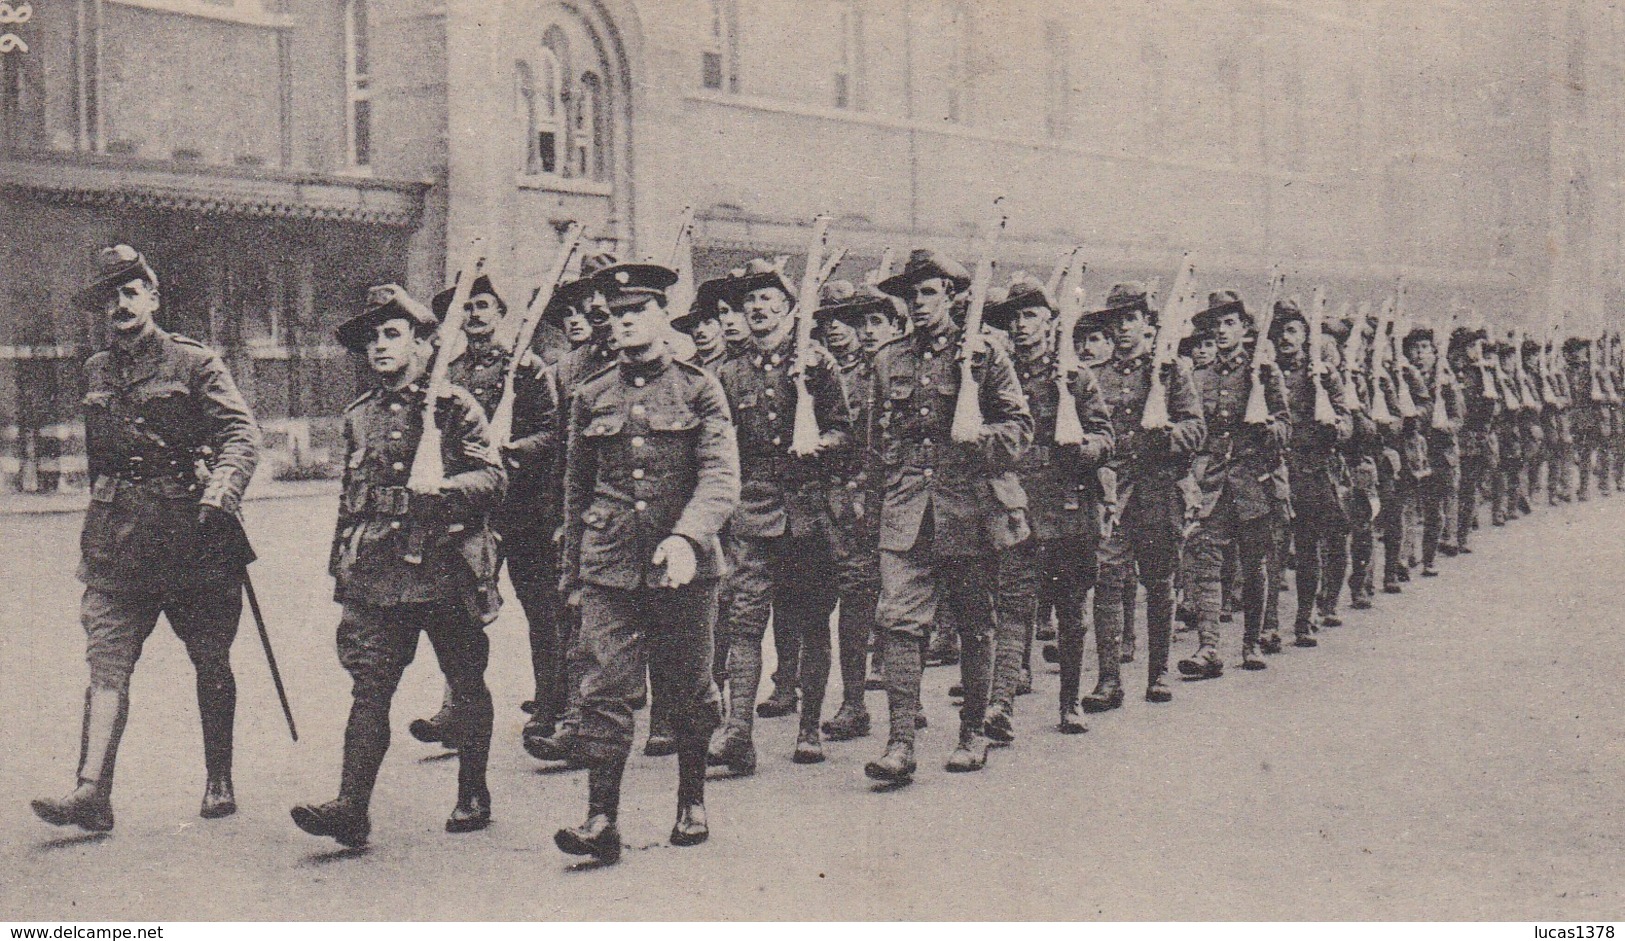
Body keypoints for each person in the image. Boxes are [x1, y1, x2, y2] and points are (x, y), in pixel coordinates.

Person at [32, 246, 261, 834]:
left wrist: (223, 489)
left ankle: (219, 778)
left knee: (210, 658)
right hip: (116, 542)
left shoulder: (195, 362)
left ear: (152, 297)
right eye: (108, 298)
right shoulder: (96, 371)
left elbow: (240, 433)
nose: (119, 305)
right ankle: (91, 792)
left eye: (130, 292)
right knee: (106, 664)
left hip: (194, 537)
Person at [291, 284, 505, 848]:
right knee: (370, 687)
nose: (380, 347)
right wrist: (342, 568)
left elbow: (492, 477)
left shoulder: (454, 407)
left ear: (420, 343)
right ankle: (351, 807)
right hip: (380, 573)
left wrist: (443, 488)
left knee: (465, 680)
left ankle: (474, 791)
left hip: (445, 566)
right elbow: (349, 498)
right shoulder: (359, 415)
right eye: (372, 339)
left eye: (392, 334)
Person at [554, 261, 739, 864]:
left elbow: (719, 476)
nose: (626, 322)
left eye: (639, 311)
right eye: (617, 313)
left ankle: (692, 799)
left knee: (688, 686)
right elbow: (576, 491)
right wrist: (572, 573)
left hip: (684, 565)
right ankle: (600, 817)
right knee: (603, 686)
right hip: (609, 563)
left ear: (663, 316)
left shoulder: (699, 388)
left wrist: (687, 538)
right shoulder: (591, 394)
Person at [863, 250, 1033, 781]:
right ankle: (900, 744)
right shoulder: (888, 359)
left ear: (953, 296)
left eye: (928, 293)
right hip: (907, 509)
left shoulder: (983, 356)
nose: (917, 304)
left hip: (968, 508)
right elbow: (876, 443)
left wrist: (979, 435)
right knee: (899, 624)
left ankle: (973, 732)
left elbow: (1020, 430)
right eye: (910, 295)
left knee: (975, 624)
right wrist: (877, 511)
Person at [709, 258, 851, 770]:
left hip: (809, 513)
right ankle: (737, 733)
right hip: (754, 511)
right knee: (745, 621)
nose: (757, 308)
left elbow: (845, 432)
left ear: (791, 310)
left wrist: (819, 442)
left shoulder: (815, 365)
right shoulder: (728, 372)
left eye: (768, 300)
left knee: (811, 621)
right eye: (750, 302)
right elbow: (720, 447)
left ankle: (809, 729)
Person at [982, 275, 1113, 739]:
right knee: (1013, 606)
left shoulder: (1075, 378)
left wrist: (1084, 448)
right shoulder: (998, 372)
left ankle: (1070, 701)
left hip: (1068, 506)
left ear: (1050, 321)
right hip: (1016, 504)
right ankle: (999, 706)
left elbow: (1105, 436)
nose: (1021, 326)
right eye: (1014, 318)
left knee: (1070, 609)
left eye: (1030, 316)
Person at [523, 252, 623, 764]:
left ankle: (675, 716)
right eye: (588, 307)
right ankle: (575, 721)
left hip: (653, 516)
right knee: (576, 614)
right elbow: (565, 455)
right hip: (592, 514)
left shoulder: (662, 358)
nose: (597, 317)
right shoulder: (569, 370)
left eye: (604, 306)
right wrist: (564, 519)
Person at [1180, 290, 1290, 677]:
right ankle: (1208, 647)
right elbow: (1196, 429)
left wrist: (1266, 428)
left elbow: (1284, 425)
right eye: (1216, 325)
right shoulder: (1199, 376)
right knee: (1206, 562)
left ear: (1245, 328)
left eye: (1230, 323)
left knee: (1253, 563)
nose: (1222, 331)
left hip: (1253, 483)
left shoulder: (1264, 373)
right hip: (1213, 483)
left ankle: (1252, 643)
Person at [811, 280, 895, 742]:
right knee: (832, 603)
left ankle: (870, 699)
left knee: (874, 599)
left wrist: (867, 490)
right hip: (822, 498)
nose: (838, 331)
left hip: (866, 497)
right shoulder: (815, 372)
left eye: (847, 321)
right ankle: (845, 699)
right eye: (828, 322)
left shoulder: (875, 372)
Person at [1269, 299, 1352, 646]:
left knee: (1308, 548)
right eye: (1280, 331)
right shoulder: (1264, 371)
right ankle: (1268, 623)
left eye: (1293, 330)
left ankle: (1305, 617)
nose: (1286, 337)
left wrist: (1332, 425)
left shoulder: (1322, 374)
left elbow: (1347, 422)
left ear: (1305, 335)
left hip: (1311, 468)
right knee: (1272, 549)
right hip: (1274, 468)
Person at [1401, 324, 1461, 579]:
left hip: (1438, 450)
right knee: (1408, 507)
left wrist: (1444, 425)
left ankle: (1429, 557)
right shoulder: (1405, 380)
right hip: (1413, 450)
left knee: (1434, 509)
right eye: (1414, 349)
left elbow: (1459, 417)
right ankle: (1406, 556)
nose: (1419, 354)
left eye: (1425, 348)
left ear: (1434, 352)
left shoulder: (1445, 381)